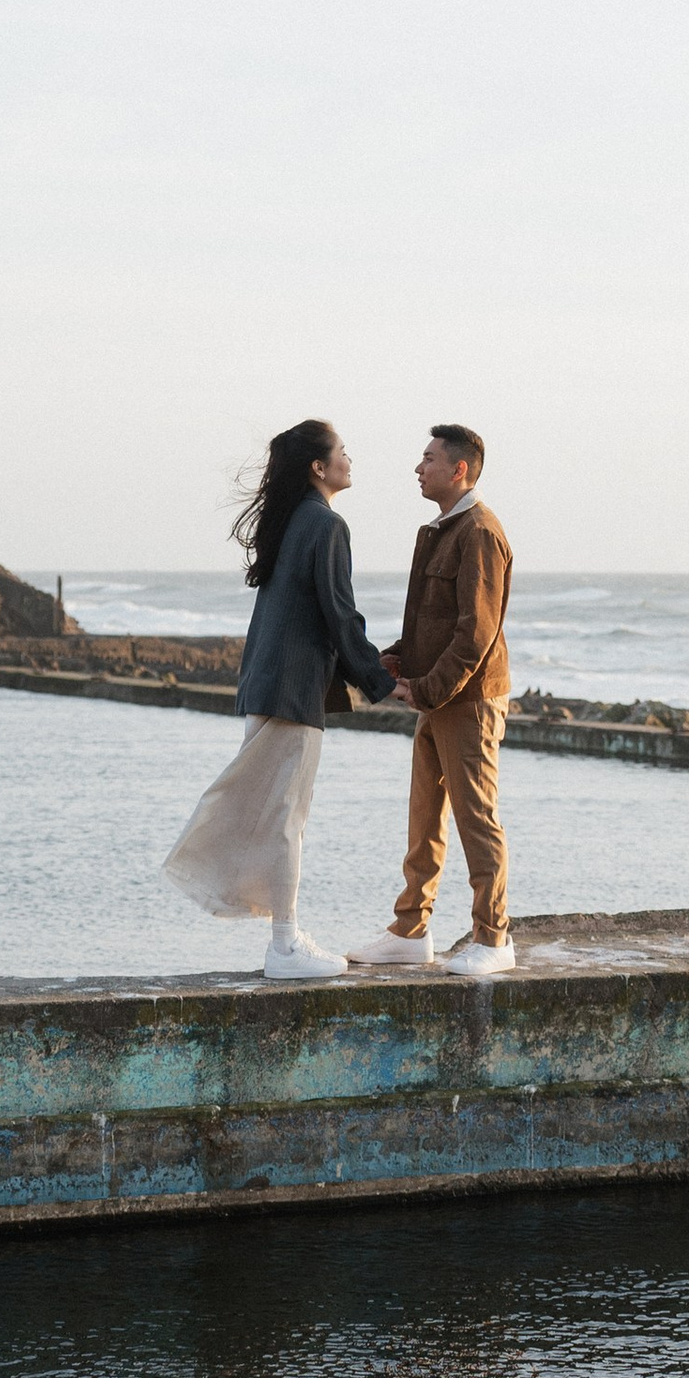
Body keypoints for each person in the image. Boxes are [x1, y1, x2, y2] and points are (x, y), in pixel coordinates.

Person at [163, 418, 395, 981]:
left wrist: (369, 673)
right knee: (287, 818)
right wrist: (384, 682)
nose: (349, 458)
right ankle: (285, 946)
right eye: (342, 451)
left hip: (268, 685)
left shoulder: (290, 522)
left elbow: (306, 615)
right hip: (293, 693)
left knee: (269, 813)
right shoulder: (326, 525)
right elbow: (340, 615)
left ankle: (284, 935)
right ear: (319, 467)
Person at [350, 424, 515, 978]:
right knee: (425, 817)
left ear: (459, 469)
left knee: (476, 817)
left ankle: (494, 937)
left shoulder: (480, 532)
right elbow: (431, 624)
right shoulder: (440, 530)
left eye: (427, 459)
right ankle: (410, 929)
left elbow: (476, 633)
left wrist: (424, 690)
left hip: (468, 701)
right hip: (439, 699)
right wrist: (395, 659)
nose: (418, 468)